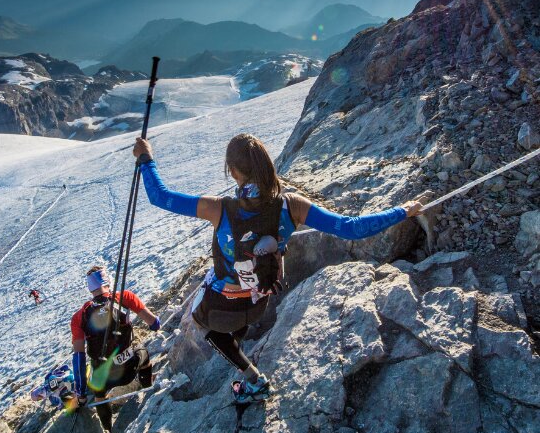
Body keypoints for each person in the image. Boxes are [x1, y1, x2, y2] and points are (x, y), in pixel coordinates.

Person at [133, 133, 422, 404]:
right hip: (260, 302)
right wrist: (402, 211)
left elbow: (160, 196)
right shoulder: (292, 207)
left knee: (209, 328)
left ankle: (253, 380)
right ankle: (244, 354)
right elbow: (350, 228)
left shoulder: (218, 208)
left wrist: (146, 158)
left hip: (220, 308)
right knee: (234, 316)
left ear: (233, 171)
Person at [70, 265, 161, 433]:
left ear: (90, 288)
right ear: (108, 280)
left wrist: (81, 393)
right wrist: (155, 322)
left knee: (97, 390)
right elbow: (154, 323)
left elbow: (79, 358)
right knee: (143, 353)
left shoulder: (79, 317)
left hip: (104, 377)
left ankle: (108, 430)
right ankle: (148, 389)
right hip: (130, 366)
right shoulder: (124, 297)